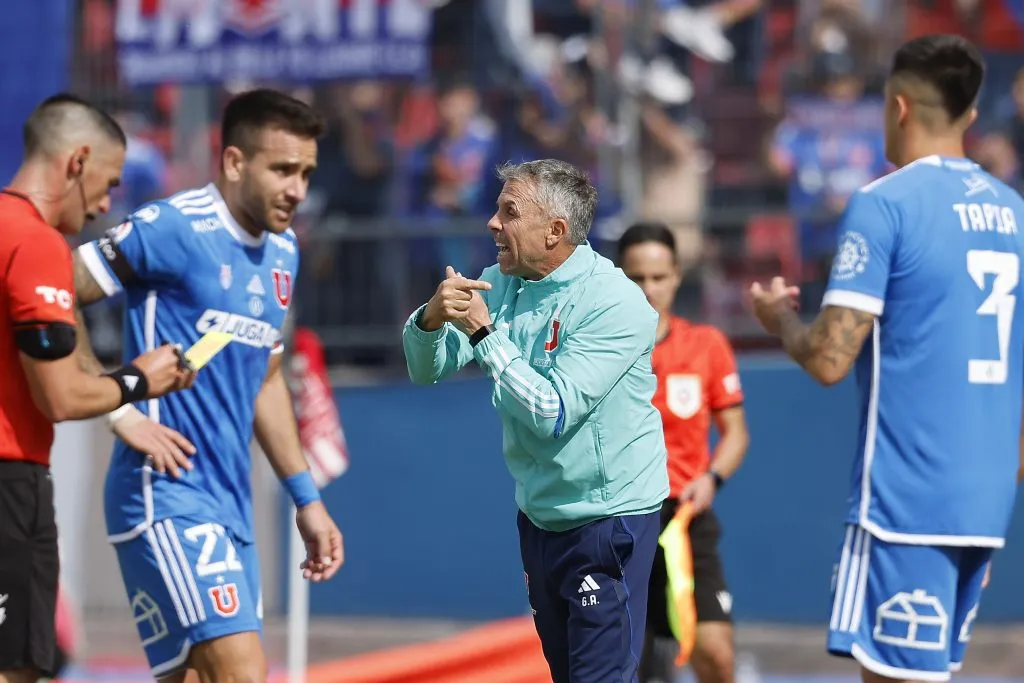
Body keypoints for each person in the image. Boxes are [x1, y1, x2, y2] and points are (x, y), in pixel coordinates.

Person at [750, 34, 1024, 683]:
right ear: (969, 116)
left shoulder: (884, 203)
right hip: (985, 499)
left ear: (898, 108)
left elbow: (828, 359)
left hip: (907, 499)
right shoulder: (1015, 212)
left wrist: (780, 317)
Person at [70, 88, 345, 682]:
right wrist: (120, 406)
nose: (297, 189)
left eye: (306, 172)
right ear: (235, 162)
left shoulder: (283, 251)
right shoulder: (174, 226)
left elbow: (266, 378)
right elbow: (54, 293)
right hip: (165, 493)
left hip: (232, 504)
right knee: (243, 671)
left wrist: (307, 499)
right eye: (282, 169)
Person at [403, 158, 669, 682]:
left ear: (555, 232)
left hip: (608, 518)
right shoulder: (502, 282)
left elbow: (553, 411)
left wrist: (484, 335)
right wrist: (429, 318)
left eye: (509, 212)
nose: (492, 224)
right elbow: (424, 370)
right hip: (541, 518)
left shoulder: (615, 304)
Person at [0, 94, 195, 683]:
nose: (106, 204)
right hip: (9, 479)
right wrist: (139, 380)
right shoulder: (34, 243)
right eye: (108, 183)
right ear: (77, 161)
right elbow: (59, 397)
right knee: (17, 667)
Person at [618, 222, 750, 683]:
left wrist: (711, 480)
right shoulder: (601, 348)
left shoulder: (706, 344)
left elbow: (735, 434)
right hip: (620, 520)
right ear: (620, 279)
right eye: (637, 278)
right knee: (631, 666)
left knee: (715, 654)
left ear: (677, 276)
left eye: (658, 277)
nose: (649, 289)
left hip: (685, 520)